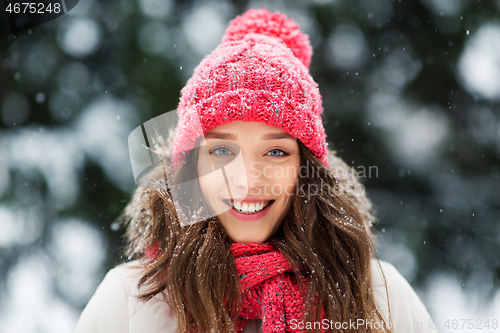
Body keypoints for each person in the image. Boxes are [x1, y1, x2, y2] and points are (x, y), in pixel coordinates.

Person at [74, 8, 437, 333]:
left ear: (305, 169)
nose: (248, 179)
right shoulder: (129, 302)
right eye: (221, 150)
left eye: (276, 151)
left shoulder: (377, 297)